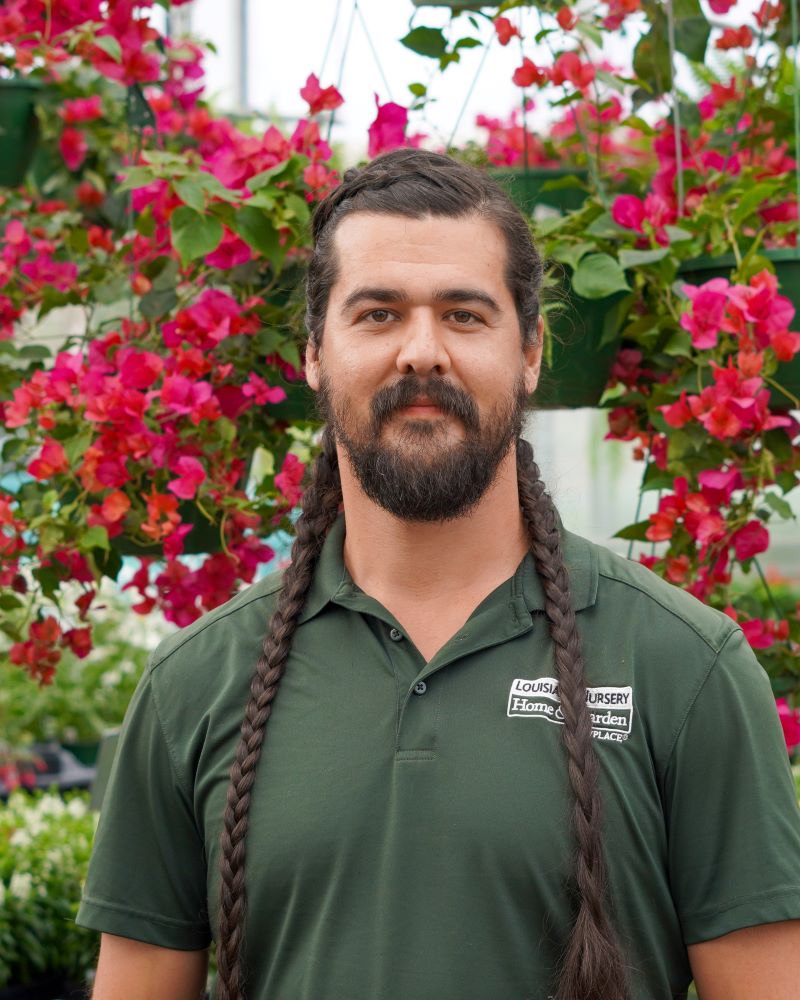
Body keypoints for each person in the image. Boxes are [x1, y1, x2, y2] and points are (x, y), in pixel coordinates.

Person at [77, 149, 800, 1000]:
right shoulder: (193, 686)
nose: (422, 352)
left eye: (464, 315)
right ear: (314, 353)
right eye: (378, 314)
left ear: (531, 351)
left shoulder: (685, 669)